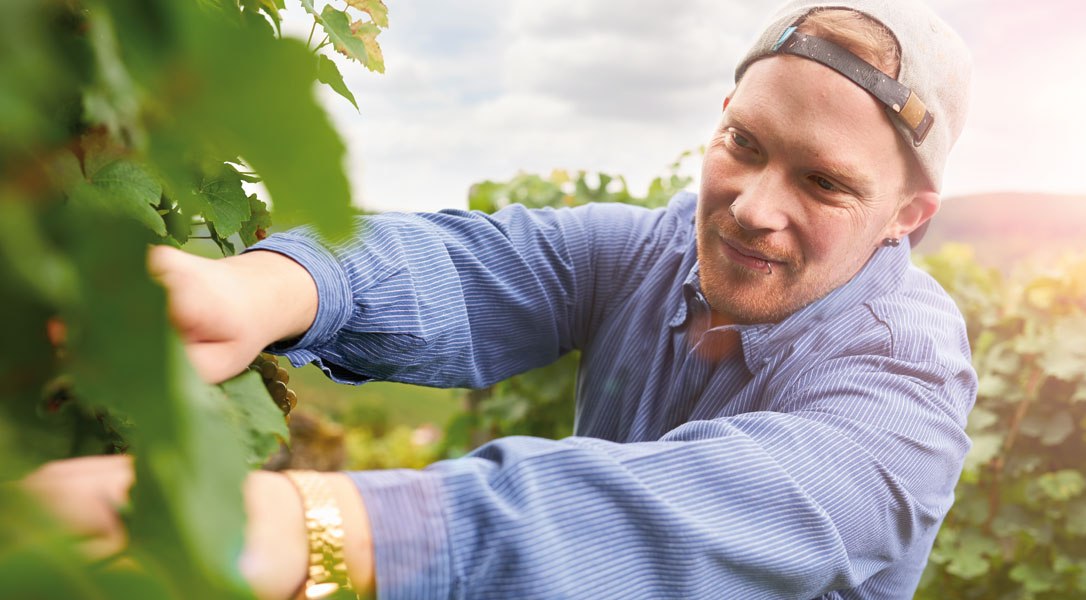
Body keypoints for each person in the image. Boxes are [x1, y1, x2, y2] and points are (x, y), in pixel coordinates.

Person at [22, 0, 976, 597]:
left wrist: (314, 529)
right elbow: (478, 263)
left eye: (825, 184)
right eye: (745, 145)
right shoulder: (654, 248)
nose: (752, 207)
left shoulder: (906, 381)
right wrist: (270, 287)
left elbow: (698, 515)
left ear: (907, 215)